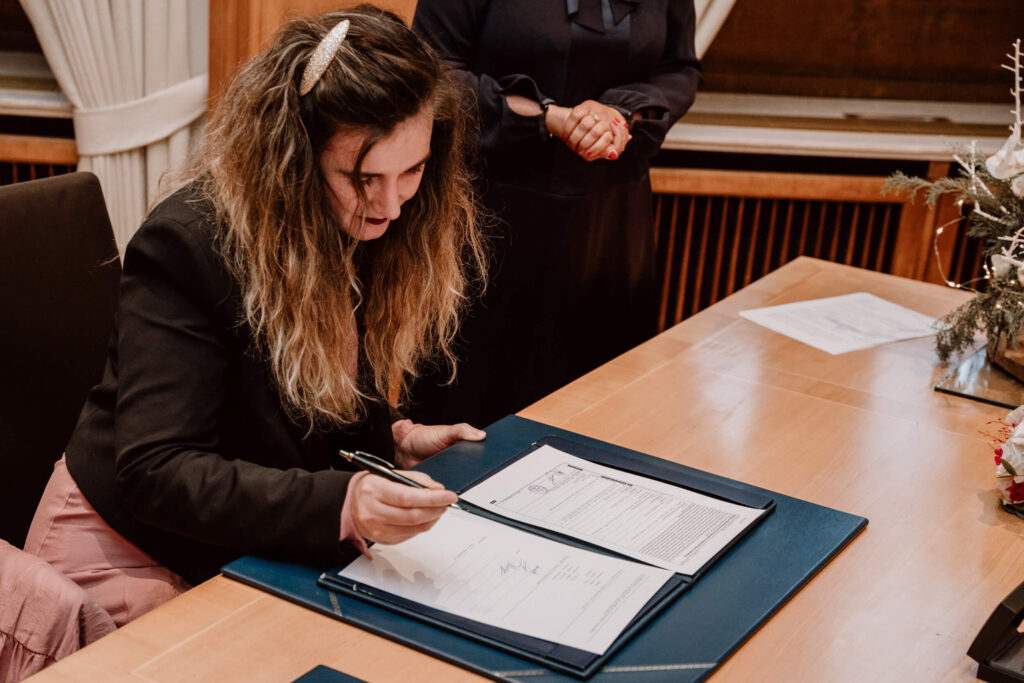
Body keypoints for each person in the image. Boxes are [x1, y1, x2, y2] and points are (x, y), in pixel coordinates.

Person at [23, 6, 488, 626]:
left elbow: (296, 394)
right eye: (363, 176)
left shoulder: (354, 217)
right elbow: (157, 470)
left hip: (231, 546)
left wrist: (392, 444)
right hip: (123, 557)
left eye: (413, 171)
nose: (391, 205)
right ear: (295, 159)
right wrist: (342, 503)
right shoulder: (188, 242)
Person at [409, 0, 702, 427]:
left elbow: (680, 69)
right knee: (471, 396)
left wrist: (617, 114)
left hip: (611, 220)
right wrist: (550, 118)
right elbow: (433, 72)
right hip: (487, 214)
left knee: (599, 399)